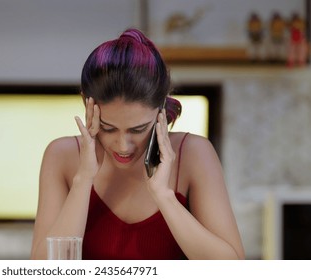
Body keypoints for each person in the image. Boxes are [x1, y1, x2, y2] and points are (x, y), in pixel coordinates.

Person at [30, 28, 245, 260]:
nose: (123, 146)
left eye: (138, 129)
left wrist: (164, 195)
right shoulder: (62, 156)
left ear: (160, 107)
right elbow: (45, 269)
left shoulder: (193, 154)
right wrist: (83, 180)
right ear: (87, 104)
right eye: (108, 128)